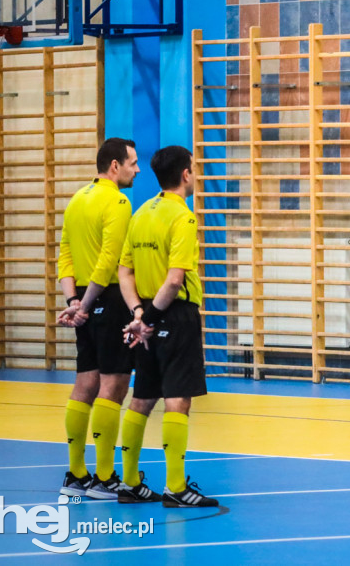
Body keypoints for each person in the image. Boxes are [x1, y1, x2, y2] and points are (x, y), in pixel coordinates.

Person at [118, 146, 218, 507]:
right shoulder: (184, 218)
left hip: (145, 313)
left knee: (142, 398)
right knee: (178, 400)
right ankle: (176, 487)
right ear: (186, 175)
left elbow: (124, 271)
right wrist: (155, 319)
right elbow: (175, 280)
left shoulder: (141, 213)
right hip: (174, 317)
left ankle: (129, 482)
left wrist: (139, 315)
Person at [56, 138, 140, 498]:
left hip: (84, 303)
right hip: (107, 301)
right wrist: (87, 304)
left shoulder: (77, 199)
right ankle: (105, 478)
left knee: (85, 384)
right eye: (132, 163)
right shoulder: (119, 201)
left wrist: (73, 300)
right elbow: (109, 262)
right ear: (114, 167)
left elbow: (65, 256)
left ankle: (76, 474)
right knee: (114, 385)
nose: (136, 169)